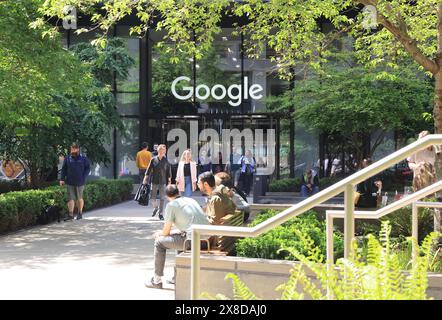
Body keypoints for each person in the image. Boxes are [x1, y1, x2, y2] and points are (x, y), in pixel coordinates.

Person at [145, 184, 209, 289]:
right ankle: (177, 277)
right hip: (207, 239)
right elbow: (188, 224)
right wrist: (173, 232)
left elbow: (165, 232)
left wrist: (159, 233)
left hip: (192, 240)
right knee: (178, 239)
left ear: (167, 196)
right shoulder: (190, 200)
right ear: (178, 193)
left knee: (159, 243)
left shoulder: (171, 205)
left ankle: (156, 280)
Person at [60, 143, 91, 221]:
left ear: (77, 149)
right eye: (71, 149)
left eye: (74, 149)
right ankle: (70, 214)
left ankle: (80, 213)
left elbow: (88, 168)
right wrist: (62, 179)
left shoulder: (83, 159)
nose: (72, 150)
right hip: (69, 181)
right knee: (70, 198)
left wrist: (84, 176)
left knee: (79, 198)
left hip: (80, 181)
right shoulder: (67, 158)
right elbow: (63, 169)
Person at [143, 144, 172, 220]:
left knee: (162, 198)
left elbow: (168, 171)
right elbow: (148, 170)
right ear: (159, 151)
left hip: (163, 181)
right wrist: (145, 179)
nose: (164, 152)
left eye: (164, 150)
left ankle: (161, 214)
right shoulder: (153, 159)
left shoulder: (166, 160)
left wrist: (169, 181)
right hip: (154, 181)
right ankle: (156, 207)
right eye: (162, 150)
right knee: (152, 198)